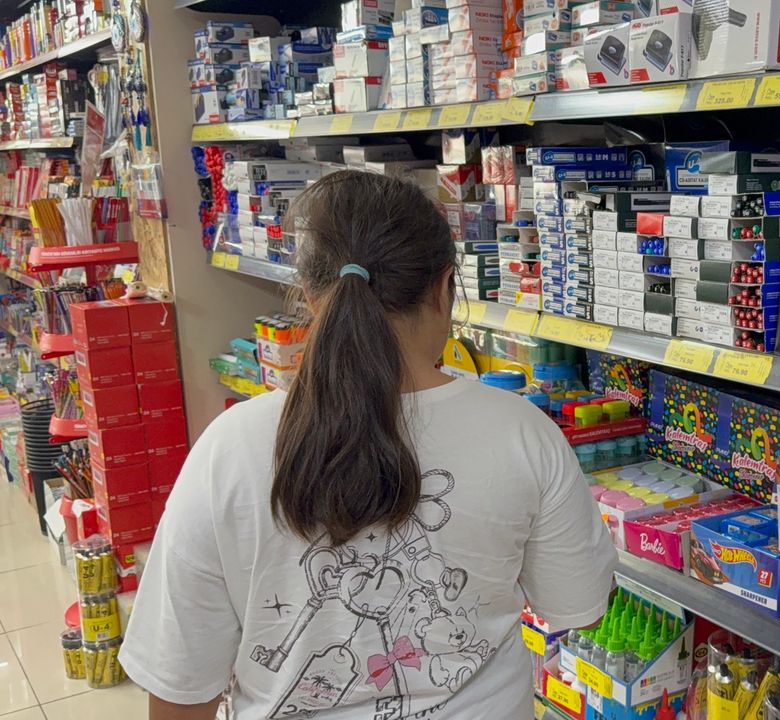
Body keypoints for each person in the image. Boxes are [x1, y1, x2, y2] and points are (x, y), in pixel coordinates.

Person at [120, 170, 618, 719]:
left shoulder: (231, 447)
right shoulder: (523, 433)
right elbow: (581, 607)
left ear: (311, 295)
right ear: (443, 289)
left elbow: (180, 685)